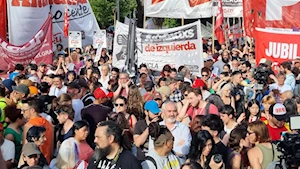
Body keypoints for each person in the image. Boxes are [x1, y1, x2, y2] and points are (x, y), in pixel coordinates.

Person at [21, 98, 54, 163]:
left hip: (33, 160)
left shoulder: (29, 125)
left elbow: (25, 147)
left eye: (24, 110)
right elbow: (52, 146)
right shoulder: (49, 124)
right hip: (46, 160)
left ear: (32, 110)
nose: (22, 113)